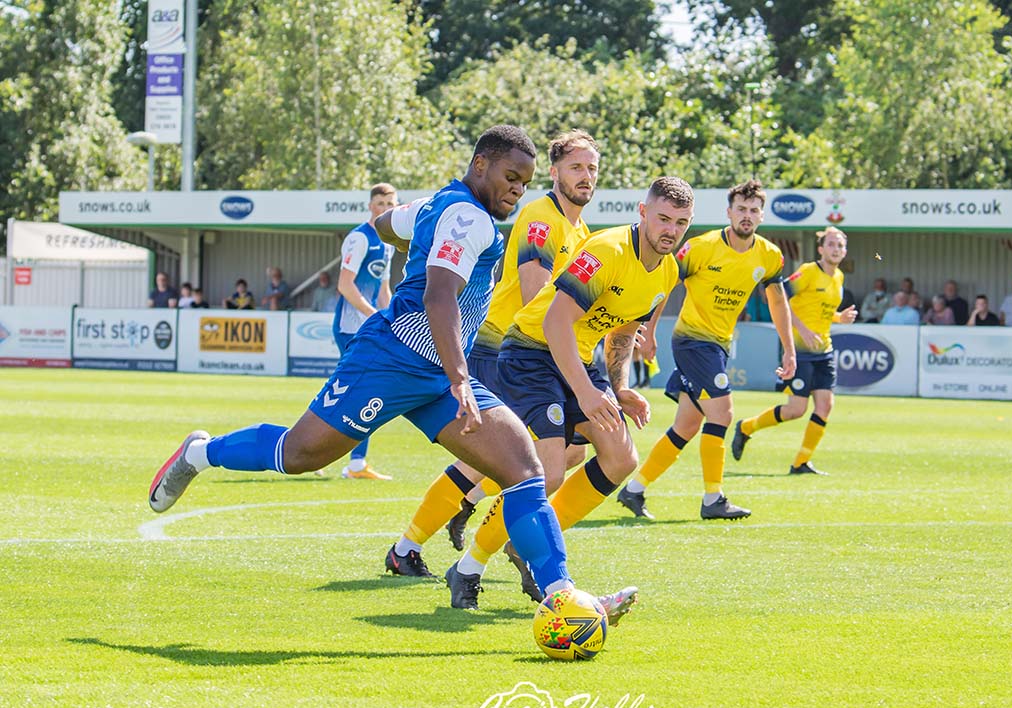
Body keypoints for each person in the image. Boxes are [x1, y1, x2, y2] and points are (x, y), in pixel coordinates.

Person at [148, 125, 636, 623]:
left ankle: (563, 596)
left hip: (440, 374)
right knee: (298, 455)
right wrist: (461, 377)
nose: (516, 189)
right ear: (480, 165)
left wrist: (415, 242)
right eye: (510, 176)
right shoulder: (468, 218)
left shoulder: (437, 205)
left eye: (524, 182)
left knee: (524, 470)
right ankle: (199, 454)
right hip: (393, 362)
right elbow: (438, 297)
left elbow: (386, 226)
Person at [442, 176, 692, 610]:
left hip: (577, 359)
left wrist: (620, 388)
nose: (670, 229)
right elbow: (556, 322)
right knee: (547, 473)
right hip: (529, 352)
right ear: (643, 212)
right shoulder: (607, 250)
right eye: (664, 218)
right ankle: (468, 567)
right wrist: (588, 393)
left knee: (620, 456)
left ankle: (526, 542)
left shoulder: (667, 271)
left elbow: (624, 331)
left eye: (681, 222)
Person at [388, 131, 600, 589]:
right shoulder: (541, 217)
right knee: (523, 459)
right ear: (555, 172)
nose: (586, 176)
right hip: (507, 348)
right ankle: (495, 548)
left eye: (592, 168)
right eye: (576, 167)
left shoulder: (580, 231)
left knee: (551, 452)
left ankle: (419, 541)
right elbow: (535, 294)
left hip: (533, 350)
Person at [616, 179, 796, 522]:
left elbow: (777, 301)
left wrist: (789, 350)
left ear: (761, 215)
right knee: (723, 414)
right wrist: (649, 331)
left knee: (687, 425)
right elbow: (665, 283)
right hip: (692, 341)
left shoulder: (769, 256)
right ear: (728, 212)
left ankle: (634, 490)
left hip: (719, 345)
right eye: (740, 209)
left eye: (753, 210)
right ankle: (714, 498)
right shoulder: (701, 247)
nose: (747, 216)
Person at [732, 226, 858, 476]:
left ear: (844, 252)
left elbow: (818, 310)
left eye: (840, 245)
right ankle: (746, 427)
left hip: (824, 350)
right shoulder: (809, 271)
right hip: (800, 350)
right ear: (821, 249)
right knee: (796, 410)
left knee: (825, 406)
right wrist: (803, 330)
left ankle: (801, 463)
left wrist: (838, 318)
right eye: (831, 244)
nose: (836, 249)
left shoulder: (839, 277)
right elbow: (779, 298)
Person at [332, 183, 400, 481]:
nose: (386, 207)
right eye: (381, 203)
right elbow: (345, 285)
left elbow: (383, 288)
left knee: (348, 391)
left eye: (391, 203)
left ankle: (324, 452)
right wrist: (374, 317)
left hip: (370, 326)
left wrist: (391, 318)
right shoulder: (359, 238)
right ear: (372, 205)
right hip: (350, 327)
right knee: (360, 389)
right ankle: (353, 463)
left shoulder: (387, 243)